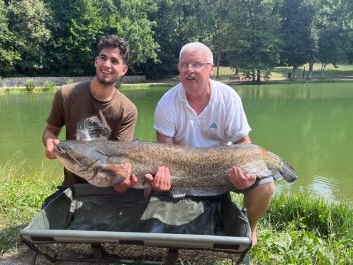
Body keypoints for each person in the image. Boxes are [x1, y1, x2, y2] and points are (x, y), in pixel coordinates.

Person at [152, 42, 275, 245]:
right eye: (184, 65)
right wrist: (162, 178)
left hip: (226, 172)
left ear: (210, 68)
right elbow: (164, 153)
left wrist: (247, 175)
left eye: (196, 64)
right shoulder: (166, 103)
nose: (189, 70)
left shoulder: (228, 97)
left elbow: (243, 143)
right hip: (183, 175)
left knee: (266, 185)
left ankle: (251, 229)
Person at [42, 34, 138, 205]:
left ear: (123, 70)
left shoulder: (128, 110)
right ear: (96, 61)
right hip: (73, 187)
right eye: (103, 58)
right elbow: (51, 130)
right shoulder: (66, 94)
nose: (107, 65)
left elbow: (121, 158)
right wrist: (49, 143)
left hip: (108, 190)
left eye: (114, 61)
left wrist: (123, 181)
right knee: (47, 218)